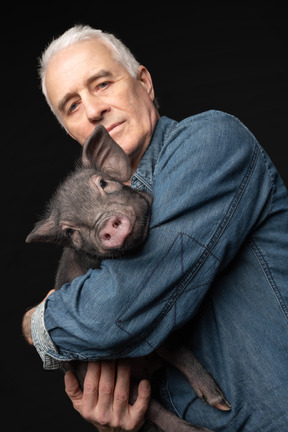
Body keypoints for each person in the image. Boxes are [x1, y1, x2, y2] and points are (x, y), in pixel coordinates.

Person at [22, 25, 288, 431]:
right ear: (74, 133)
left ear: (144, 83)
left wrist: (36, 324)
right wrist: (118, 421)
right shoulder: (94, 237)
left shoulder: (210, 142)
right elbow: (118, 366)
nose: (93, 110)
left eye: (103, 83)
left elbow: (114, 311)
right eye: (72, 106)